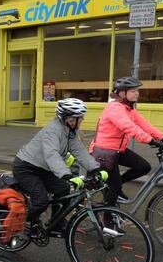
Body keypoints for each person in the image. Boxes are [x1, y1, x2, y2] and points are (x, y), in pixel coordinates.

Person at [12, 98, 101, 230]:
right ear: (69, 119)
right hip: (26, 167)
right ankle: (16, 225)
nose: (82, 120)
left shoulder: (69, 131)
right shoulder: (52, 131)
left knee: (63, 190)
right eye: (79, 118)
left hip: (43, 168)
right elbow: (51, 154)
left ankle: (56, 222)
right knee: (41, 201)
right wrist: (66, 175)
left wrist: (94, 169)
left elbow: (79, 151)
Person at [91, 76, 163, 205]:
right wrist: (152, 141)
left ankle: (112, 187)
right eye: (133, 91)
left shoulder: (128, 109)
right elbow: (130, 128)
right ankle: (108, 219)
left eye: (137, 90)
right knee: (115, 187)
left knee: (143, 167)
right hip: (104, 152)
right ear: (122, 93)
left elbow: (144, 124)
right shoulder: (114, 109)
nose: (137, 93)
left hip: (118, 149)